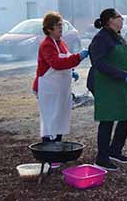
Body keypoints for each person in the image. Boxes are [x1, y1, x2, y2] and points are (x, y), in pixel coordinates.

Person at [87, 8, 127, 171]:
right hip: (104, 83)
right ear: (109, 20)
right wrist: (123, 75)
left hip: (119, 83)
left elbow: (124, 62)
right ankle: (102, 158)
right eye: (118, 17)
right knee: (107, 120)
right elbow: (98, 63)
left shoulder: (118, 37)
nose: (122, 19)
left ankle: (115, 150)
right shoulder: (101, 38)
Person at [33, 11, 89, 143]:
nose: (61, 28)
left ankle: (57, 148)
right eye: (58, 25)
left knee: (60, 118)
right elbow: (57, 64)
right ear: (48, 29)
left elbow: (66, 59)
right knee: (51, 120)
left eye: (61, 25)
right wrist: (78, 57)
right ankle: (49, 153)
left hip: (60, 88)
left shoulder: (60, 42)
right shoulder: (47, 44)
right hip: (49, 89)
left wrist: (71, 70)